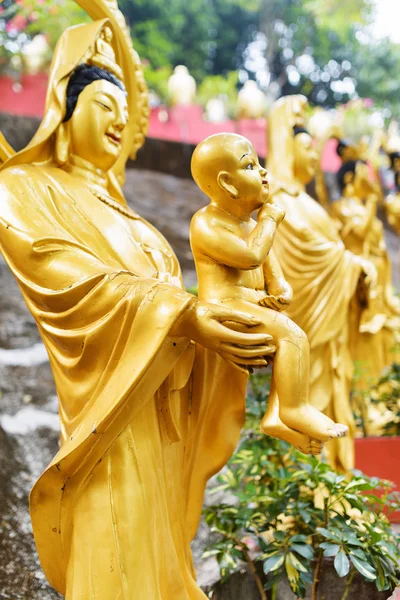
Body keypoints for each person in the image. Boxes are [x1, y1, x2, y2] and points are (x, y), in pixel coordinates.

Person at [0, 17, 274, 600]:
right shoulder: (27, 189)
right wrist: (185, 317)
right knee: (114, 554)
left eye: (125, 108)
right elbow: (63, 277)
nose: (120, 119)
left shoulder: (120, 207)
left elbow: (184, 296)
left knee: (158, 558)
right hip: (108, 421)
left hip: (162, 414)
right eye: (104, 102)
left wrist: (222, 326)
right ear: (64, 110)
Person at [190, 133, 348, 454]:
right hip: (224, 308)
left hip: (250, 305)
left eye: (260, 163)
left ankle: (277, 414)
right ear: (228, 184)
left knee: (288, 335)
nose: (263, 172)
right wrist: (271, 220)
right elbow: (250, 257)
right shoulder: (206, 224)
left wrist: (281, 292)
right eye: (251, 166)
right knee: (293, 336)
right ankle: (294, 408)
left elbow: (275, 279)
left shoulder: (253, 225)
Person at [266, 95, 377, 472]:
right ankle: (302, 500)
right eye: (306, 148)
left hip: (330, 333)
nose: (315, 159)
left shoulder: (307, 203)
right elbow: (308, 260)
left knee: (331, 408)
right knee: (302, 406)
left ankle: (332, 490)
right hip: (305, 324)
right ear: (286, 149)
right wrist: (350, 264)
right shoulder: (280, 202)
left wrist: (353, 268)